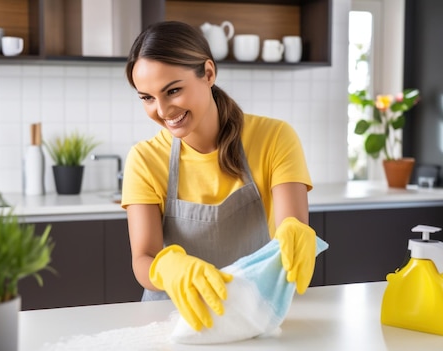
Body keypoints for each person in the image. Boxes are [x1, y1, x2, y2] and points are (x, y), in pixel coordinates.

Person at [121, 21, 317, 332]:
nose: (162, 110)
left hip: (251, 315)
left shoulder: (275, 137)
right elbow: (143, 257)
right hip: (170, 321)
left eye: (173, 90)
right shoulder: (144, 158)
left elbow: (289, 228)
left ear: (209, 73)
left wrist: (295, 232)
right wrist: (167, 266)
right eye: (146, 97)